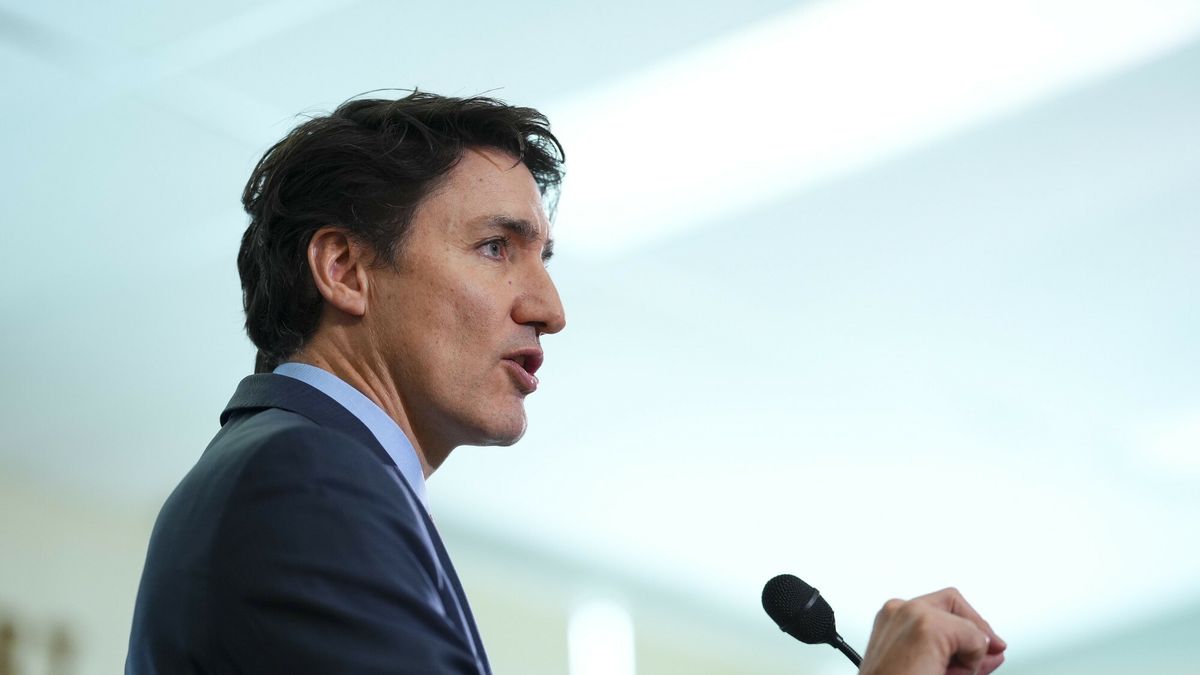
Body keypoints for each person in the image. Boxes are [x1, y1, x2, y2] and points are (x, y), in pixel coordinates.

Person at [126, 91, 1005, 675]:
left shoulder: (296, 475)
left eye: (544, 257)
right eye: (496, 247)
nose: (548, 306)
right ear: (347, 269)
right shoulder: (305, 481)